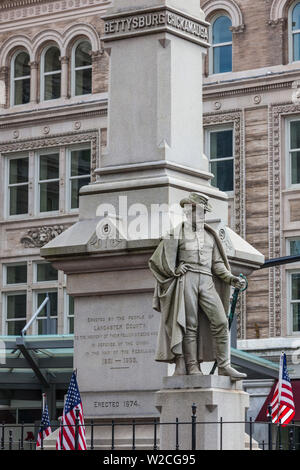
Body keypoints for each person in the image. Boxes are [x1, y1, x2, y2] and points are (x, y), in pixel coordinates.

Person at [149, 192, 247, 380]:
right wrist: (174, 269)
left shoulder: (210, 236)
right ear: (189, 212)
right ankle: (192, 367)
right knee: (189, 325)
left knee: (221, 321)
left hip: (207, 279)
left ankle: (224, 365)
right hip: (188, 279)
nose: (200, 216)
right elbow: (158, 261)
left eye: (203, 212)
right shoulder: (176, 233)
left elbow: (217, 264)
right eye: (197, 212)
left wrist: (231, 279)